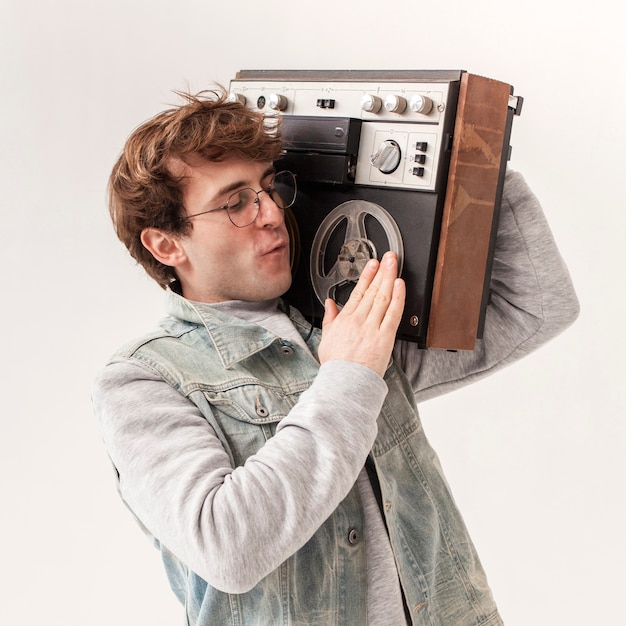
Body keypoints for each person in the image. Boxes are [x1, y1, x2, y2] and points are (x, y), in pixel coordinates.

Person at [92, 89, 579, 626]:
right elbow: (226, 547)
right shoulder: (141, 382)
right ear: (166, 246)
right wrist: (348, 375)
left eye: (270, 187)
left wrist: (476, 166)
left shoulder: (342, 322)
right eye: (235, 202)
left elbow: (535, 307)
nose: (272, 213)